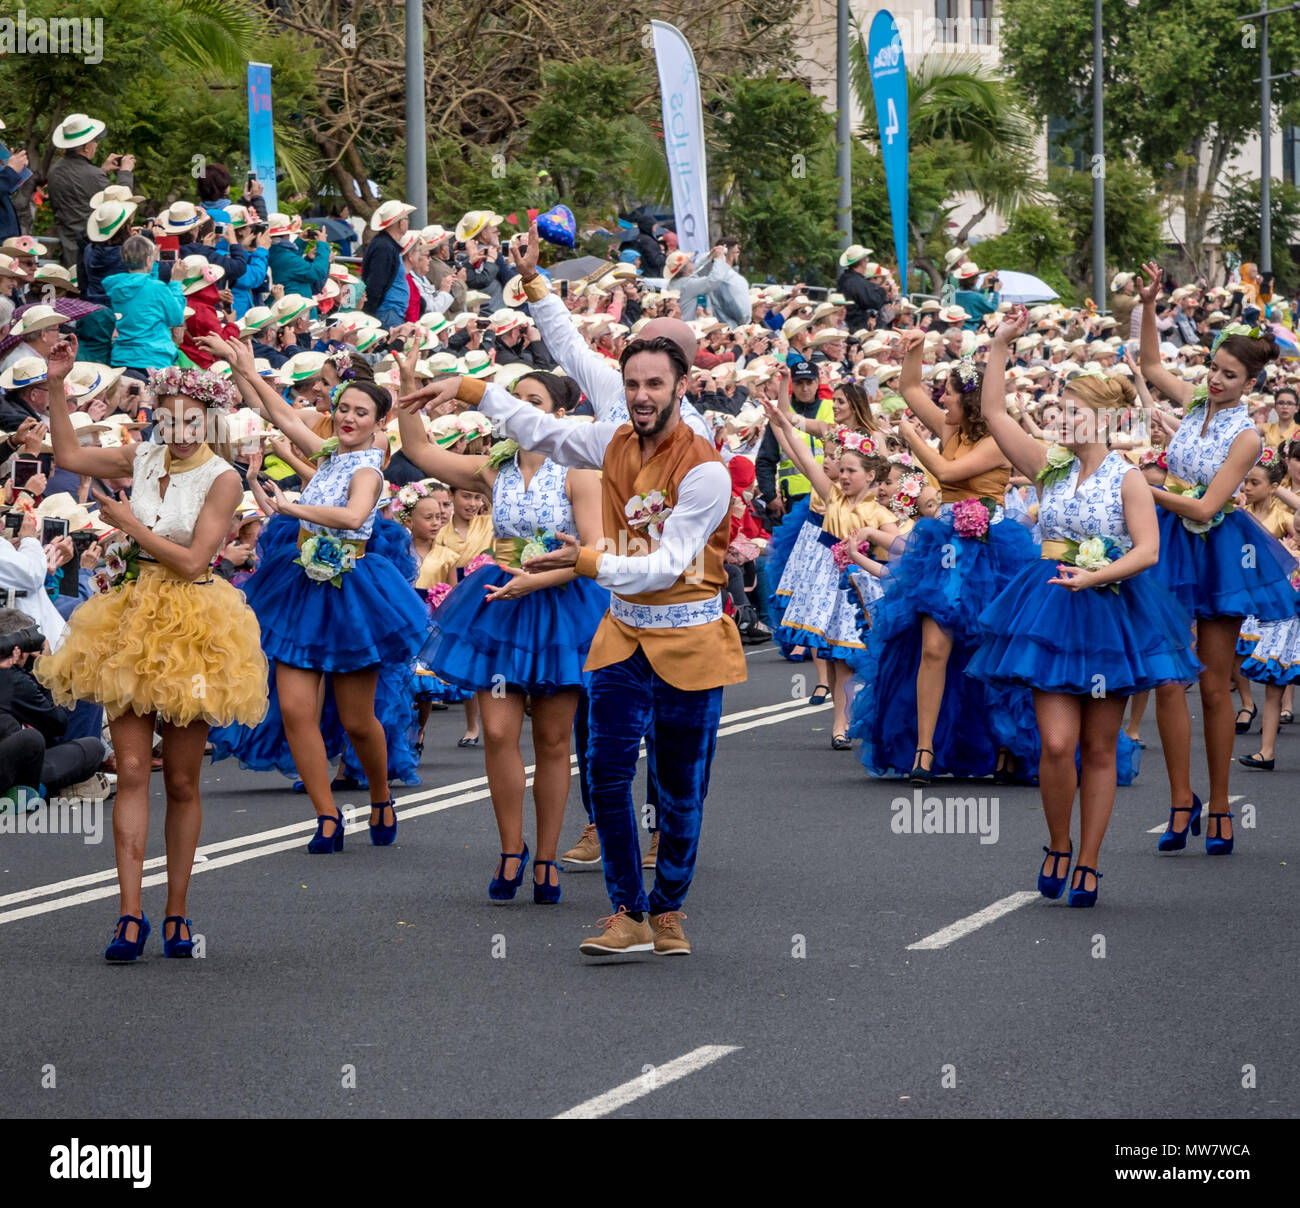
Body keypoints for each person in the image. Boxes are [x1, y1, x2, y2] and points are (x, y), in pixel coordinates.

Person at [400, 333, 747, 958]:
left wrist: (585, 560)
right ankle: (627, 913)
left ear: (682, 387)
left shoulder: (706, 471)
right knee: (608, 775)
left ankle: (667, 910)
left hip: (690, 638)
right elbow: (543, 429)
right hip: (621, 635)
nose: (641, 397)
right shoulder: (609, 444)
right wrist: (470, 390)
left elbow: (666, 566)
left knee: (679, 786)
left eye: (655, 385)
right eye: (632, 385)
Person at [36, 341, 268, 961]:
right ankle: (128, 917)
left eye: (194, 419)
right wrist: (58, 386)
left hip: (195, 624)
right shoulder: (141, 457)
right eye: (171, 416)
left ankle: (177, 914)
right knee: (133, 770)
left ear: (210, 421)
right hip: (132, 619)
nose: (182, 429)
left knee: (185, 781)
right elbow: (66, 453)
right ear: (157, 416)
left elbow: (195, 560)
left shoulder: (223, 477)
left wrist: (132, 528)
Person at [966, 307, 1202, 907]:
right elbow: (994, 413)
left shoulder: (1126, 477)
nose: (1058, 416)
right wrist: (999, 344)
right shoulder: (1050, 466)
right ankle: (1057, 842)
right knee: (1053, 744)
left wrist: (1097, 574)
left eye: (1070, 409)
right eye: (1057, 408)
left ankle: (1090, 862)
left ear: (1101, 417)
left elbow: (1148, 551)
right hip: (1049, 608)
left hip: (1106, 612)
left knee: (1099, 747)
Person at [199, 334, 427, 853]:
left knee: (357, 719)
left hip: (353, 595)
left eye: (360, 412)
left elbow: (351, 517)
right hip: (302, 588)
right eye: (342, 408)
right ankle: (326, 816)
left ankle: (379, 793)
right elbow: (280, 414)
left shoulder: (369, 465)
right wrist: (246, 370)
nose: (347, 417)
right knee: (296, 708)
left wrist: (295, 509)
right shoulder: (328, 456)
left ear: (378, 423)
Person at [397, 356, 606, 903]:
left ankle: (545, 860)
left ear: (561, 414)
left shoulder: (579, 469)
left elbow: (597, 547)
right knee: (496, 733)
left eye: (534, 402)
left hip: (561, 604)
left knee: (555, 741)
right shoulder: (495, 467)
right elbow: (419, 452)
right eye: (515, 401)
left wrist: (534, 582)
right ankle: (511, 849)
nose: (520, 410)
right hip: (499, 602)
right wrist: (408, 387)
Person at [1135, 263, 1300, 856]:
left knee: (1211, 686)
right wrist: (1150, 306)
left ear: (1251, 383)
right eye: (1213, 368)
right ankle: (1182, 801)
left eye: (1230, 374)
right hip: (1167, 545)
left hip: (1216, 548)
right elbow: (1153, 366)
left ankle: (1222, 800)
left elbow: (1205, 506)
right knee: (1167, 679)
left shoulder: (1248, 437)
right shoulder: (1196, 400)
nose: (1217, 379)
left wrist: (1136, 488)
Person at [851, 327, 1037, 782]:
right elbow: (910, 389)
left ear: (967, 400)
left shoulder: (997, 439)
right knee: (934, 647)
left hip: (992, 548)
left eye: (948, 393)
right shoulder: (950, 427)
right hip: (948, 547)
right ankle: (924, 749)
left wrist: (911, 440)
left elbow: (948, 470)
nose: (942, 400)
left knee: (991, 648)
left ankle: (1004, 744)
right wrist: (913, 349)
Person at [0, 608, 105, 795]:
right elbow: (57, 723)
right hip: (9, 766)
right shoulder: (11, 678)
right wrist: (44, 671)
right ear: (21, 651)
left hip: (12, 759)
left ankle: (25, 789)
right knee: (89, 749)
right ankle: (26, 790)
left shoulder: (11, 674)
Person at [45, 114, 136, 267]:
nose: (97, 145)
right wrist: (125, 173)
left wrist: (101, 171)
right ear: (87, 147)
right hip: (93, 253)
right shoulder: (93, 175)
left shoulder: (54, 171)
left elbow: (80, 187)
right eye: (95, 141)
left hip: (68, 251)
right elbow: (122, 206)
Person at [103, 235, 186, 372]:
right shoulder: (157, 288)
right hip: (154, 359)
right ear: (148, 259)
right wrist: (176, 283)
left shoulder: (117, 287)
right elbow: (176, 318)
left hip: (123, 358)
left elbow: (142, 287)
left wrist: (152, 268)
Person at [361, 201, 416, 324]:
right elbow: (376, 282)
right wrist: (370, 315)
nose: (408, 222)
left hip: (390, 311)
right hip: (386, 312)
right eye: (406, 218)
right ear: (400, 222)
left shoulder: (386, 245)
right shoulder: (384, 247)